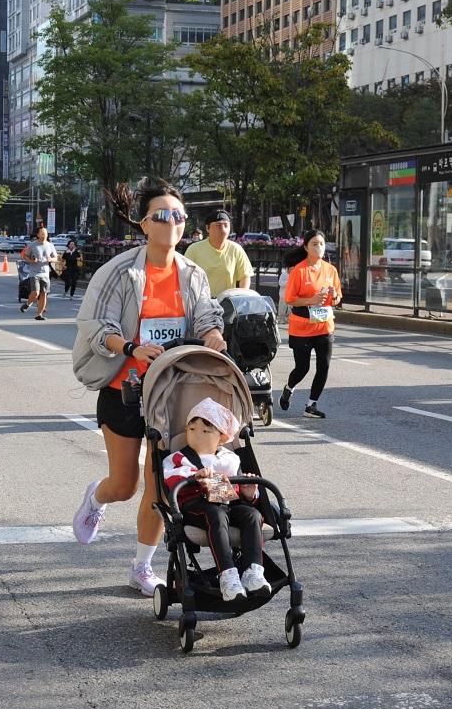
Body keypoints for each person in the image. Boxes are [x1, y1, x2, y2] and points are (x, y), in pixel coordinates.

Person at [70, 177, 227, 596]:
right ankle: (96, 498)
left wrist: (213, 335)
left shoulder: (192, 273)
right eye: (161, 216)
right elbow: (95, 327)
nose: (171, 223)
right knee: (125, 486)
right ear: (144, 224)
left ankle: (142, 567)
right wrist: (131, 348)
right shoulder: (119, 272)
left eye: (178, 216)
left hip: (172, 394)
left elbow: (206, 316)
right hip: (126, 390)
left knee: (160, 485)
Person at [162, 397, 270, 601]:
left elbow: (238, 492)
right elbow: (171, 479)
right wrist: (195, 477)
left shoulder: (230, 459)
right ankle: (227, 574)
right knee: (216, 514)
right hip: (196, 506)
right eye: (191, 429)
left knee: (252, 514)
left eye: (205, 431)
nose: (196, 435)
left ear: (221, 437)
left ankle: (253, 571)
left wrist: (249, 492)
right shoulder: (179, 457)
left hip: (228, 505)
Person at [278, 229, 342, 419]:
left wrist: (334, 296)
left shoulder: (331, 270)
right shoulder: (298, 270)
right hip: (302, 326)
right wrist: (311, 299)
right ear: (306, 247)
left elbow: (338, 297)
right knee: (302, 368)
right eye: (314, 244)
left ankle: (311, 405)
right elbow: (290, 299)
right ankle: (289, 388)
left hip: (324, 325)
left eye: (321, 244)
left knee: (324, 366)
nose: (319, 247)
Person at [183, 209, 255, 298]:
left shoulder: (236, 249)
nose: (223, 229)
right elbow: (184, 277)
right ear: (207, 228)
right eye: (218, 225)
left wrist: (242, 297)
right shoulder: (194, 249)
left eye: (226, 225)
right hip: (201, 303)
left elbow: (245, 276)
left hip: (227, 303)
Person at [20, 226, 58, 320]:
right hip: (34, 273)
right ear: (38, 235)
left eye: (45, 233)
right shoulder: (33, 245)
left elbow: (56, 258)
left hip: (45, 273)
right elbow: (25, 256)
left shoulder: (50, 245)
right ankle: (28, 304)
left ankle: (39, 314)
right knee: (35, 293)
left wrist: (51, 259)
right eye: (42, 233)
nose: (44, 235)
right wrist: (31, 261)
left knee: (44, 294)